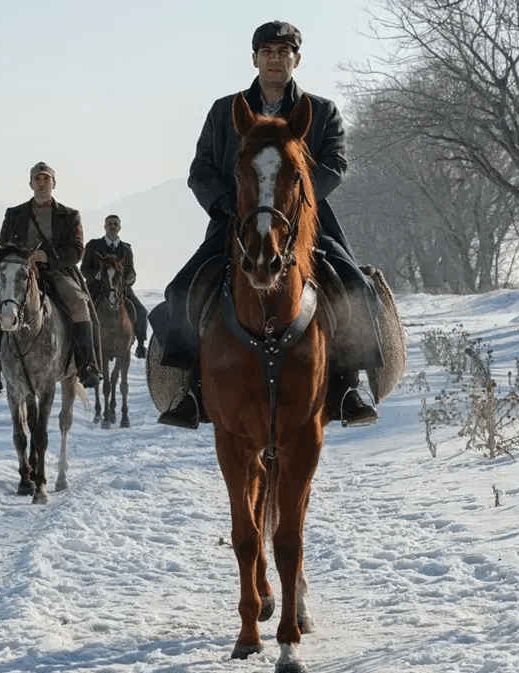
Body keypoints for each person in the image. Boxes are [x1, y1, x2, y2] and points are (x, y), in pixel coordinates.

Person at [156, 20, 384, 430]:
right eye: (267, 52)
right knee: (183, 289)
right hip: (235, 223)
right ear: (255, 58)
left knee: (353, 286)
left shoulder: (323, 111)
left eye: (283, 53)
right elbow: (201, 169)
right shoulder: (225, 111)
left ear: (296, 59)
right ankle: (192, 389)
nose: (275, 60)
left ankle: (348, 387)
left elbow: (336, 164)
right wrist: (226, 204)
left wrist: (295, 201)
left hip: (305, 223)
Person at [0, 162, 102, 398]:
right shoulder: (14, 214)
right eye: (37, 180)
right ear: (31, 184)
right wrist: (22, 257)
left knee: (78, 302)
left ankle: (86, 366)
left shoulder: (70, 215)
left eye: (46, 180)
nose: (42, 184)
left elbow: (77, 251)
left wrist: (48, 257)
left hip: (56, 272)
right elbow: (3, 249)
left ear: (54, 184)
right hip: (22, 275)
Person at [81, 214, 149, 358]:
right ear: (105, 226)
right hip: (96, 287)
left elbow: (130, 270)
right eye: (110, 224)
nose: (112, 226)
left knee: (141, 311)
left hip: (120, 288)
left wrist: (129, 279)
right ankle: (80, 345)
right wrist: (96, 276)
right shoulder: (93, 245)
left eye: (115, 224)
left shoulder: (126, 249)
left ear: (119, 228)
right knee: (81, 310)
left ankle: (141, 345)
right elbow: (84, 268)